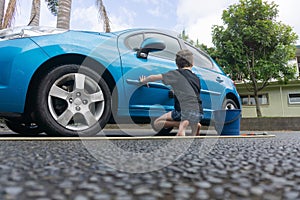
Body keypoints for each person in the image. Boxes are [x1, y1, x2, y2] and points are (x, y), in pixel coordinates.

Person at [139, 49, 203, 136]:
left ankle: (181, 127)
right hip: (199, 112)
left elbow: (154, 77)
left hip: (183, 111)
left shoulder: (176, 74)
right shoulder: (196, 78)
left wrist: (144, 80)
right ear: (192, 64)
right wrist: (174, 91)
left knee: (157, 123)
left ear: (177, 64)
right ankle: (194, 124)